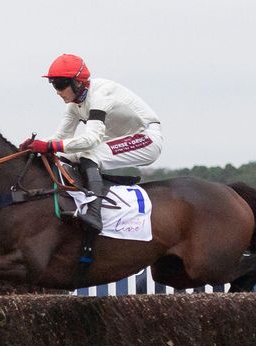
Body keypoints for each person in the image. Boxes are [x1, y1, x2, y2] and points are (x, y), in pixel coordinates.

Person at [20, 53, 163, 231]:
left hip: (147, 138)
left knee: (90, 153)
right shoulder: (74, 104)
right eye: (53, 85)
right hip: (120, 138)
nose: (57, 91)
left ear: (77, 82)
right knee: (67, 155)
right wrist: (34, 146)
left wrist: (49, 146)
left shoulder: (99, 96)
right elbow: (61, 138)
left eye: (60, 84)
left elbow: (92, 139)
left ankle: (94, 214)